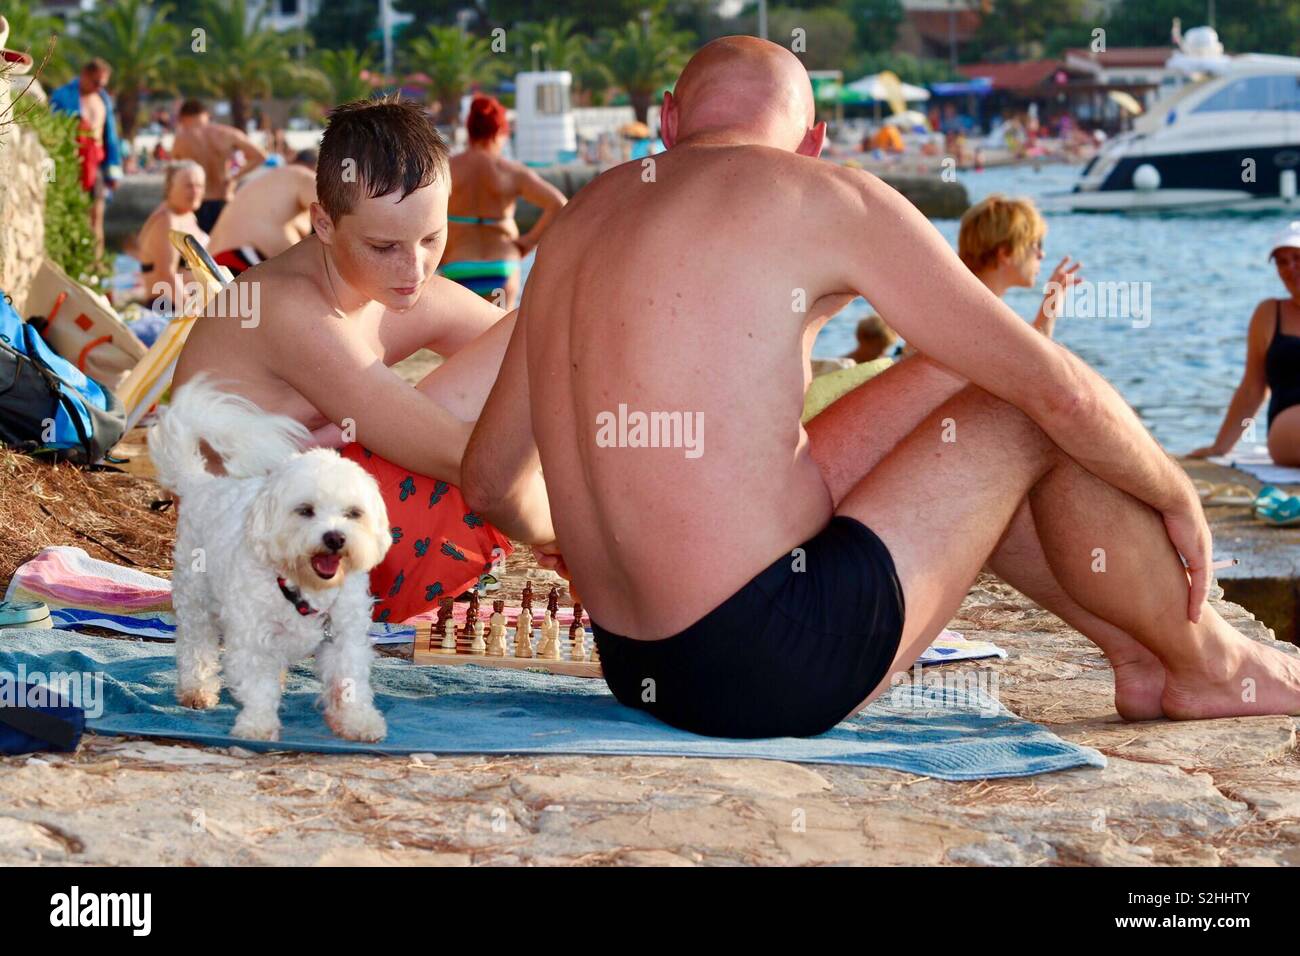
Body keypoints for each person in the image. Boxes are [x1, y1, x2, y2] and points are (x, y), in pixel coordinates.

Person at [462, 36, 1300, 740]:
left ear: (671, 122)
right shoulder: (823, 195)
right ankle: (1212, 663)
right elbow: (1061, 394)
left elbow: (491, 480)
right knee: (1017, 407)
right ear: (814, 140)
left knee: (953, 396)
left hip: (637, 663)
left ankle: (1140, 654)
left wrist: (589, 538)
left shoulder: (578, 223)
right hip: (773, 664)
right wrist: (1174, 489)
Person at [173, 97, 554, 623]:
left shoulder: (388, 281)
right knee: (539, 347)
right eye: (383, 245)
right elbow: (468, 460)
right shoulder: (292, 311)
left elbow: (550, 362)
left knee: (548, 327)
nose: (413, 267)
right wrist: (566, 532)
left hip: (313, 534)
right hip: (266, 575)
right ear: (323, 224)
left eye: (431, 237)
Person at [439, 95, 567, 308]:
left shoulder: (446, 169)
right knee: (501, 337)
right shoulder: (512, 171)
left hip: (458, 265)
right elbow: (558, 204)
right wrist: (529, 241)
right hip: (502, 266)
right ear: (500, 132)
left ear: (469, 131)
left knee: (462, 340)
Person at [1189, 223, 1300, 466]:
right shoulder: (1270, 313)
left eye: (1297, 258)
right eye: (1282, 262)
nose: (1290, 268)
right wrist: (1220, 446)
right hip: (1290, 424)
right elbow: (1252, 388)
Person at [957, 193, 1081, 338]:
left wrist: (1051, 304)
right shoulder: (983, 318)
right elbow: (1031, 357)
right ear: (1006, 254)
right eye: (1036, 244)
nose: (1042, 254)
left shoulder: (965, 304)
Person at [49, 58, 123, 256]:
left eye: (103, 84)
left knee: (97, 217)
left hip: (96, 165)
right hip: (71, 164)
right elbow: (52, 129)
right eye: (96, 82)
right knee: (72, 213)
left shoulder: (103, 100)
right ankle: (71, 258)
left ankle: (96, 265)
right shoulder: (62, 96)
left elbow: (111, 137)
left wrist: (113, 172)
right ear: (84, 75)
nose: (99, 87)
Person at [208, 149, 319, 276]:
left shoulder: (271, 179)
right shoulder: (303, 176)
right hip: (242, 260)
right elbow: (338, 212)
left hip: (215, 264)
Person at [172, 99, 267, 235]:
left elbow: (175, 171)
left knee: (198, 254)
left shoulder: (182, 139)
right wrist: (234, 177)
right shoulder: (227, 133)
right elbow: (260, 156)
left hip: (197, 202)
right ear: (206, 114)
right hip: (225, 199)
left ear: (184, 117)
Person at [133, 160, 207, 313]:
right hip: (169, 308)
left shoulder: (187, 215)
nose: (195, 191)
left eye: (199, 186)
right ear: (170, 189)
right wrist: (196, 313)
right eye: (188, 186)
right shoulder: (166, 220)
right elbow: (166, 274)